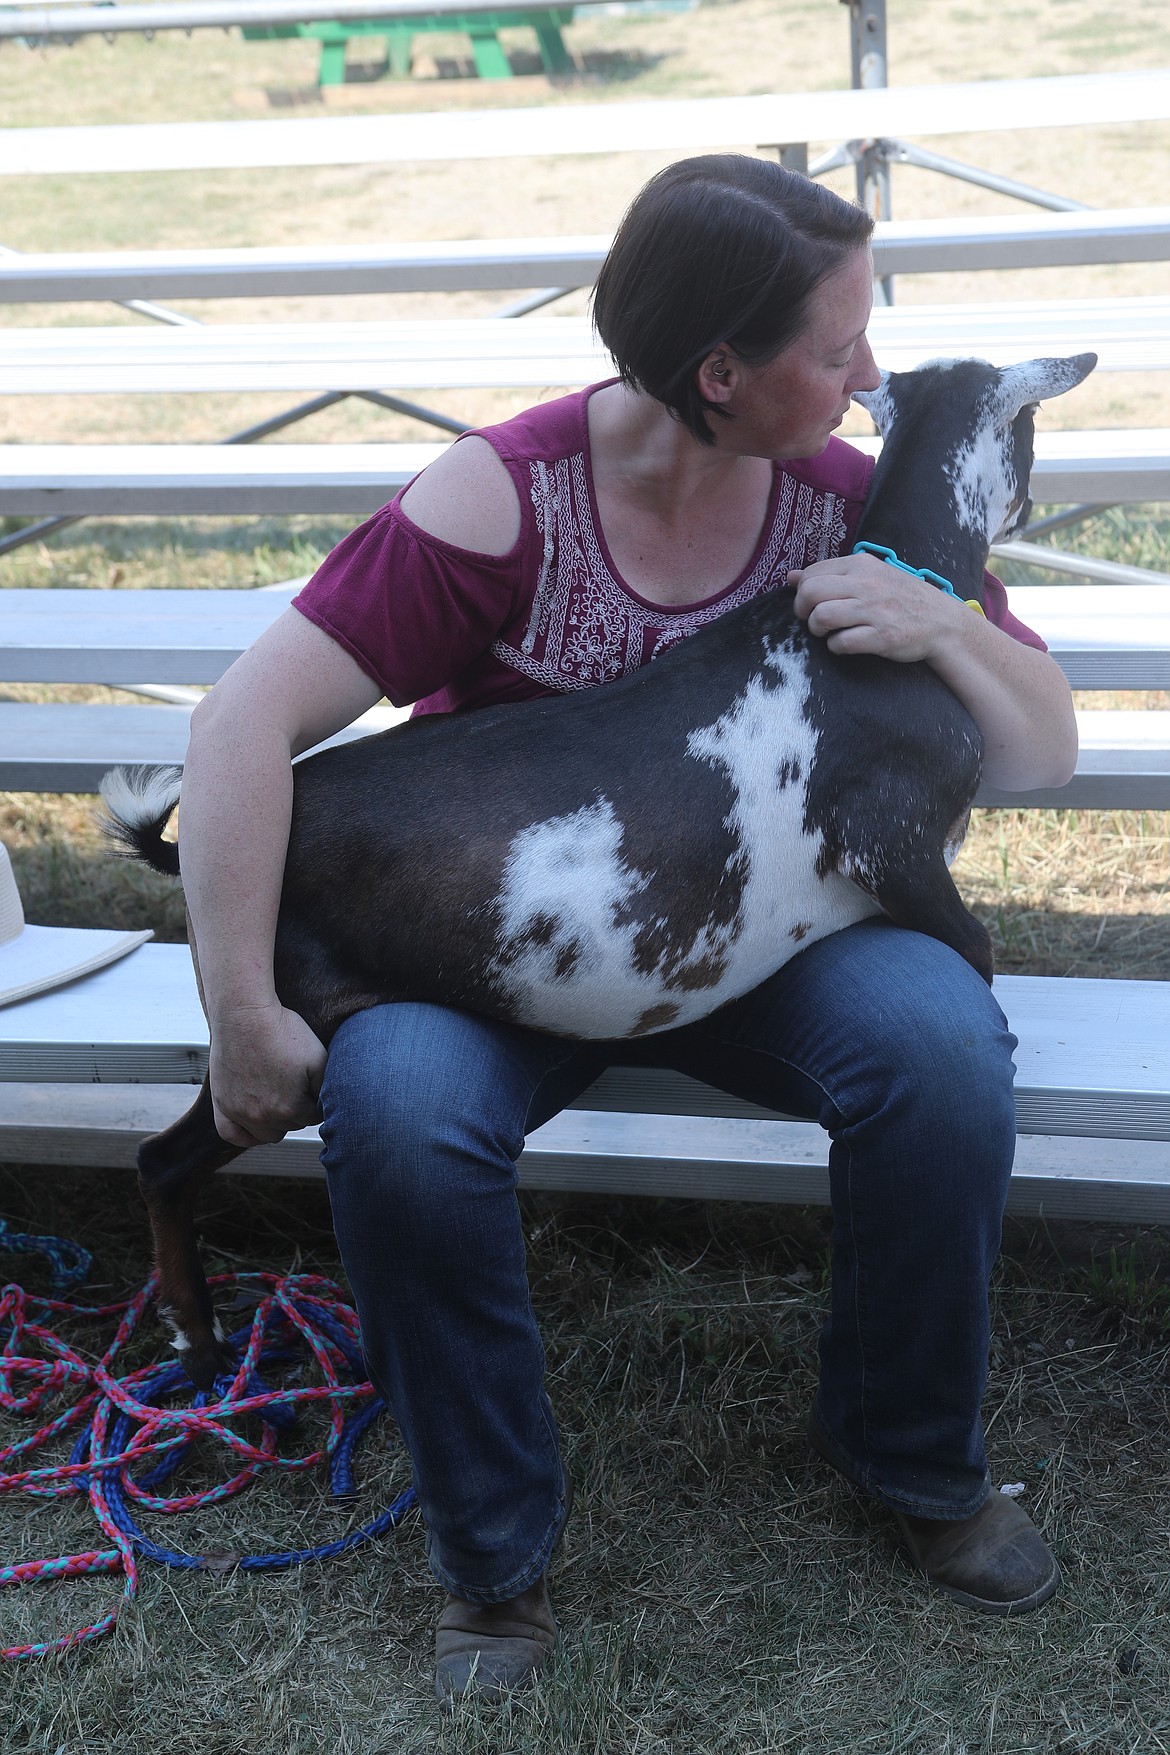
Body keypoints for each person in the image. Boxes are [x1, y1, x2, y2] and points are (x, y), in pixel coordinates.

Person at [177, 155, 1079, 1702]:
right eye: (833, 348)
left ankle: (915, 1458)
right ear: (718, 372)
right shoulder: (499, 494)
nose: (868, 376)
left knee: (938, 1053)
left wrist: (940, 623)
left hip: (769, 936)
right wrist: (245, 1013)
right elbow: (238, 729)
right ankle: (493, 1558)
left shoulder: (848, 504)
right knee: (399, 1116)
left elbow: (1040, 749)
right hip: (494, 949)